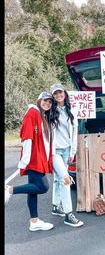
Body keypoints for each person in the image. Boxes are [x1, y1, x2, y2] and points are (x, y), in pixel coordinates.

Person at [5, 92, 54, 231]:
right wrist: (25, 160)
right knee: (43, 187)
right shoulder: (32, 113)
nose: (47, 104)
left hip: (38, 158)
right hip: (33, 159)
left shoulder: (41, 115)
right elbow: (27, 137)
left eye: (50, 102)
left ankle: (34, 221)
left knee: (33, 190)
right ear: (39, 100)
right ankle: (10, 189)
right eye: (45, 101)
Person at [50, 83, 84, 228]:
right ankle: (68, 215)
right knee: (65, 180)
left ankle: (56, 206)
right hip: (54, 152)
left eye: (60, 92)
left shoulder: (71, 111)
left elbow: (74, 133)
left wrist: (72, 151)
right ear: (53, 96)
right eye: (55, 94)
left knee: (58, 179)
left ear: (64, 93)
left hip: (66, 150)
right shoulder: (50, 111)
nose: (58, 95)